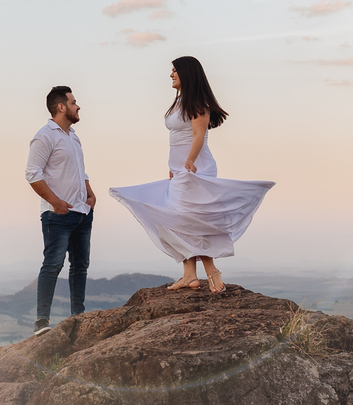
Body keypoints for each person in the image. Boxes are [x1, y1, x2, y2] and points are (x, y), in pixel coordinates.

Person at [109, 56, 274, 293]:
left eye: (175, 70)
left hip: (196, 168)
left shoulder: (198, 103)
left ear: (187, 73)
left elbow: (198, 135)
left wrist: (189, 160)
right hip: (181, 169)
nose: (171, 74)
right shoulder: (179, 102)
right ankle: (189, 275)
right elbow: (178, 138)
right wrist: (175, 165)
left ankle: (211, 271)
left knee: (191, 219)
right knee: (178, 219)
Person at [25, 86, 96, 333]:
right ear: (61, 107)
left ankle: (78, 317)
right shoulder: (45, 136)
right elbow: (32, 174)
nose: (78, 106)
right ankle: (41, 321)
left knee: (80, 266)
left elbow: (80, 171)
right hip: (57, 215)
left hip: (82, 213)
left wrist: (90, 193)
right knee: (53, 265)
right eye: (74, 102)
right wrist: (55, 202)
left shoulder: (73, 136)